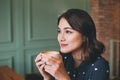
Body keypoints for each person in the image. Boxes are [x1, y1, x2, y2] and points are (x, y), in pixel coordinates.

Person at [35, 9, 110, 80]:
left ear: (85, 36)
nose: (61, 38)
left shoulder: (100, 65)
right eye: (59, 31)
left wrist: (63, 77)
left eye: (68, 32)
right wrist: (47, 77)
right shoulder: (62, 59)